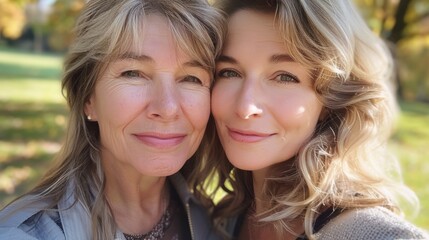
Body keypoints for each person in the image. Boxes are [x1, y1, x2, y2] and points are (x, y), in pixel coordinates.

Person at [202, 0, 429, 239]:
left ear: (332, 98)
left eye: (285, 77)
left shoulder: (378, 234)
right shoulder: (219, 219)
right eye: (229, 72)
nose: (245, 107)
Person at [0, 0, 225, 239]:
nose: (168, 108)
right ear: (88, 97)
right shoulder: (24, 234)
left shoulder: (217, 222)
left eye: (191, 78)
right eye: (133, 73)